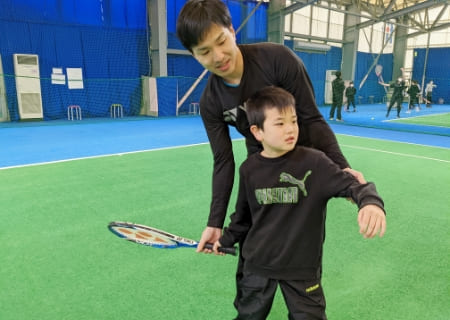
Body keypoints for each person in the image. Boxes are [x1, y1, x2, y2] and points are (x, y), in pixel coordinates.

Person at [176, 0, 365, 254]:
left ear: (232, 31)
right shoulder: (211, 102)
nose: (218, 57)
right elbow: (223, 161)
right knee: (256, 250)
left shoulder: (277, 59)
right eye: (205, 51)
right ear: (194, 55)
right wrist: (215, 222)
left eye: (221, 42)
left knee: (300, 253)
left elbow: (311, 119)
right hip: (263, 168)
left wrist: (343, 169)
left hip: (305, 161)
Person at [213, 86, 386, 319]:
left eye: (293, 121)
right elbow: (243, 217)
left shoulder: (315, 163)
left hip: (302, 267)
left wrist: (370, 202)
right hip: (256, 264)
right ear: (257, 132)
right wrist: (225, 239)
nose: (290, 129)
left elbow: (355, 185)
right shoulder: (249, 170)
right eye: (279, 123)